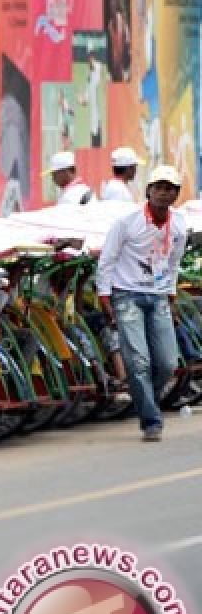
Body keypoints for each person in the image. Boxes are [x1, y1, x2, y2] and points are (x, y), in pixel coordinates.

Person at [96, 165, 189, 441]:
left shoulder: (180, 225)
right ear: (148, 191)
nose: (163, 194)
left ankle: (143, 397)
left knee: (167, 363)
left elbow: (173, 263)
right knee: (138, 361)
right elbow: (107, 260)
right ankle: (151, 420)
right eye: (158, 188)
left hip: (159, 295)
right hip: (126, 295)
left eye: (169, 189)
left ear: (176, 195)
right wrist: (105, 296)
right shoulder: (127, 221)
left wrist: (170, 296)